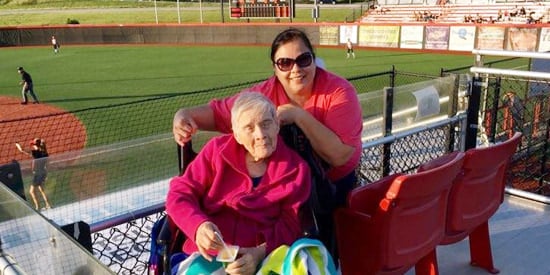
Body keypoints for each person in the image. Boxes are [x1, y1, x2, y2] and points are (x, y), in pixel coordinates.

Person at [172, 28, 363, 208]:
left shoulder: (340, 92)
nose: (295, 69)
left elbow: (340, 156)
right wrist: (185, 115)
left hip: (333, 184)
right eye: (285, 63)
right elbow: (219, 114)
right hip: (285, 183)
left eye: (303, 59)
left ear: (313, 59)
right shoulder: (264, 94)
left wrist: (298, 116)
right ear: (275, 68)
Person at [166, 92, 311, 274]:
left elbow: (291, 225)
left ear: (277, 125)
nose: (260, 135)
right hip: (210, 254)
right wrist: (198, 227)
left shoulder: (296, 169)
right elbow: (178, 193)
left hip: (264, 255)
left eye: (266, 124)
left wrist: (259, 253)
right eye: (249, 128)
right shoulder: (216, 151)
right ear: (236, 134)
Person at [15, 138, 52, 210]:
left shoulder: (35, 152)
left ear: (35, 145)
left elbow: (22, 150)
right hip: (43, 172)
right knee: (41, 189)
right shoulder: (45, 153)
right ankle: (48, 205)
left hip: (37, 174)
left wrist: (17, 144)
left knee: (31, 191)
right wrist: (46, 174)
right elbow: (47, 165)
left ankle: (37, 207)